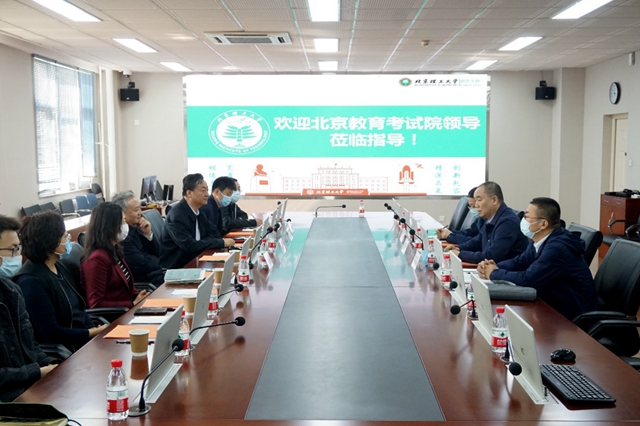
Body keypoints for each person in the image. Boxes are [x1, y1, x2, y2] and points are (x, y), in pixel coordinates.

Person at [477, 197, 598, 321]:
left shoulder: (557, 249)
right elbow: (519, 262)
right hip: (551, 303)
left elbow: (527, 279)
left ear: (543, 224)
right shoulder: (541, 240)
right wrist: (492, 266)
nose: (523, 220)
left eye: (527, 217)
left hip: (572, 315)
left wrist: (494, 273)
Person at [13, 212, 107, 352]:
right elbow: (52, 333)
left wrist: (93, 329)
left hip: (85, 339)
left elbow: (79, 310)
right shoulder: (30, 281)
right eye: (64, 236)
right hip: (68, 350)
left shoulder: (59, 265)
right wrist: (91, 332)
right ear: (50, 242)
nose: (68, 239)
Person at [0, 214, 57, 402]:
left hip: (32, 388)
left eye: (19, 248)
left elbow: (30, 346)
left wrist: (53, 365)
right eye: (12, 249)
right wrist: (37, 372)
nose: (18, 256)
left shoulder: (12, 291)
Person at [80, 203, 150, 308]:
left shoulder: (114, 249)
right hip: (118, 315)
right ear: (111, 227)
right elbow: (96, 303)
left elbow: (125, 287)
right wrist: (132, 304)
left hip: (129, 308)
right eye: (124, 222)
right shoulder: (96, 259)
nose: (126, 226)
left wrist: (139, 296)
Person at [160, 174, 235, 269]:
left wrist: (203, 243)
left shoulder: (198, 212)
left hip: (196, 261)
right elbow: (189, 245)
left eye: (207, 190)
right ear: (189, 193)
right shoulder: (177, 216)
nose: (207, 194)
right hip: (179, 268)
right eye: (203, 190)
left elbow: (214, 233)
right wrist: (221, 243)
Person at [446, 182, 529, 264]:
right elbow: (478, 241)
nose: (476, 205)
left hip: (504, 270)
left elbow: (492, 256)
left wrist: (460, 254)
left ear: (494, 200)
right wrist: (458, 248)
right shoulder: (490, 217)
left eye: (479, 200)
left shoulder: (507, 222)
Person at [112, 190, 164, 286]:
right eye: (136, 210)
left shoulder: (138, 227)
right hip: (148, 283)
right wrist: (156, 259)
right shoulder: (122, 236)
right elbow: (143, 265)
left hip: (158, 275)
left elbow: (159, 253)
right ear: (122, 213)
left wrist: (148, 234)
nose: (140, 213)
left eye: (140, 209)